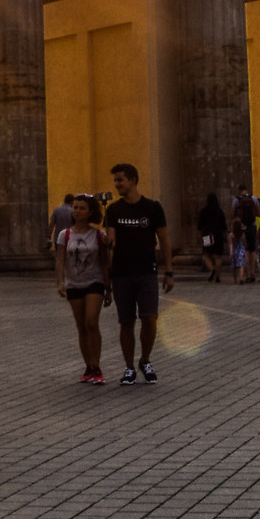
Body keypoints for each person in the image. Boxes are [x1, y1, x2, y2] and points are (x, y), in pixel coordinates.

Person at [104, 162, 172, 385]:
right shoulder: (113, 210)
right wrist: (107, 277)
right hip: (121, 273)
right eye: (115, 180)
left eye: (120, 180)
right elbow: (111, 243)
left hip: (146, 272)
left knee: (149, 318)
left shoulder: (152, 208)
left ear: (132, 180)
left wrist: (169, 271)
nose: (117, 184)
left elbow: (164, 239)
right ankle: (129, 367)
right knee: (126, 322)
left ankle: (145, 360)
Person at [54, 191, 109, 384]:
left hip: (95, 282)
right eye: (75, 207)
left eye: (82, 208)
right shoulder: (65, 235)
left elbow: (105, 261)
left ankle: (97, 365)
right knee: (81, 326)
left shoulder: (98, 235)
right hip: (74, 284)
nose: (77, 211)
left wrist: (109, 287)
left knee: (91, 322)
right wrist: (60, 282)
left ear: (90, 211)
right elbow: (60, 260)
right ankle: (88, 366)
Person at [196, 191, 226, 284]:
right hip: (218, 235)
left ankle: (212, 269)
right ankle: (218, 276)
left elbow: (200, 226)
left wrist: (200, 236)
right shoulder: (219, 211)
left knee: (206, 254)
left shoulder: (203, 211)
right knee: (218, 257)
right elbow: (224, 226)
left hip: (208, 235)